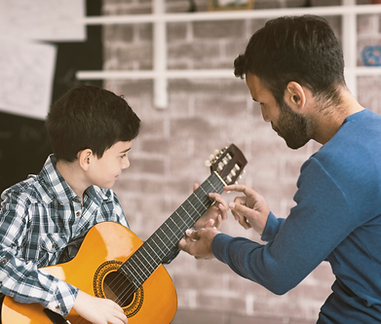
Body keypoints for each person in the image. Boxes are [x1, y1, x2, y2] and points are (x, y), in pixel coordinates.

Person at [179, 15, 381, 323]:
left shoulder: (333, 166)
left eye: (262, 103)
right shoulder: (374, 135)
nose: (264, 118)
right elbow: (350, 236)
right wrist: (270, 226)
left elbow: (277, 272)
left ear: (295, 96)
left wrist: (215, 243)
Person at [0, 85, 228, 324]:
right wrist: (78, 300)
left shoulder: (106, 201)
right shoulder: (23, 200)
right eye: (122, 154)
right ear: (87, 158)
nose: (127, 163)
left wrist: (191, 225)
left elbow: (129, 267)